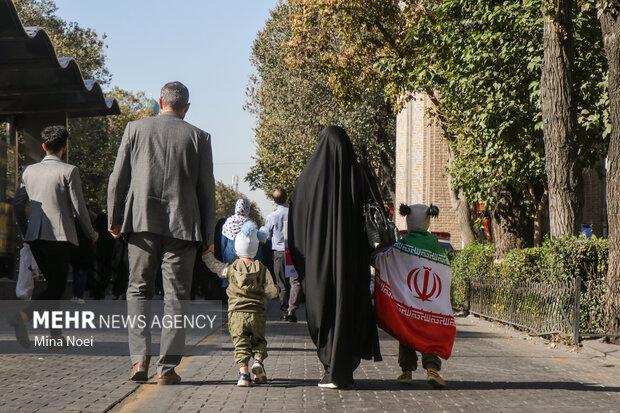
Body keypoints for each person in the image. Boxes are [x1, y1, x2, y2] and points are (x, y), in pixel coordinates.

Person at [107, 81, 216, 385]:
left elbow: (118, 178)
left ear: (159, 102)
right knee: (177, 297)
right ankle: (167, 369)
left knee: (138, 289)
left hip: (141, 221)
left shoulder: (135, 128)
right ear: (187, 108)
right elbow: (207, 190)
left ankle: (139, 360)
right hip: (183, 226)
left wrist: (115, 219)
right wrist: (209, 234)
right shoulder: (200, 137)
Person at [288, 125, 382, 389]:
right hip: (352, 262)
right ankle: (344, 369)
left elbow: (294, 225)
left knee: (323, 308)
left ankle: (330, 367)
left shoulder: (307, 179)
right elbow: (374, 214)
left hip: (318, 264)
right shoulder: (359, 174)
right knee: (349, 308)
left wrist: (303, 262)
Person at [10, 125, 98, 346]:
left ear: (43, 146)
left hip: (35, 236)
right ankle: (22, 317)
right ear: (64, 148)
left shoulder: (28, 171)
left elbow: (18, 204)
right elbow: (79, 207)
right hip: (59, 237)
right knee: (57, 287)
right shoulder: (69, 171)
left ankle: (56, 335)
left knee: (52, 284)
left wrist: (26, 229)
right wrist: (91, 233)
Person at [373, 204, 456, 389]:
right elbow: (444, 272)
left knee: (406, 332)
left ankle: (407, 371)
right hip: (431, 303)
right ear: (426, 221)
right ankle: (432, 370)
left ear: (409, 221)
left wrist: (375, 253)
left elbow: (385, 260)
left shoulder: (403, 244)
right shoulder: (436, 246)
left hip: (408, 299)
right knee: (431, 335)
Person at [202, 221, 278, 387]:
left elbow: (215, 267)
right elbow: (271, 291)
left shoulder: (231, 268)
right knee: (259, 341)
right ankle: (258, 362)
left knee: (241, 344)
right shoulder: (263, 269)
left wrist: (207, 255)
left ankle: (244, 375)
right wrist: (271, 293)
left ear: (237, 250)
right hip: (257, 313)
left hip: (236, 314)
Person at [264, 187, 299, 322]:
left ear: (274, 200)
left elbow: (266, 236)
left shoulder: (271, 216)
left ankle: (284, 310)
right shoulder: (295, 214)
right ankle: (292, 308)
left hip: (279, 252)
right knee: (295, 281)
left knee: (281, 282)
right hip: (293, 251)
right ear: (286, 197)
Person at [221, 198, 251, 263]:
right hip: (245, 260)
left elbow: (223, 244)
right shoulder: (251, 224)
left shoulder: (229, 222)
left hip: (229, 257)